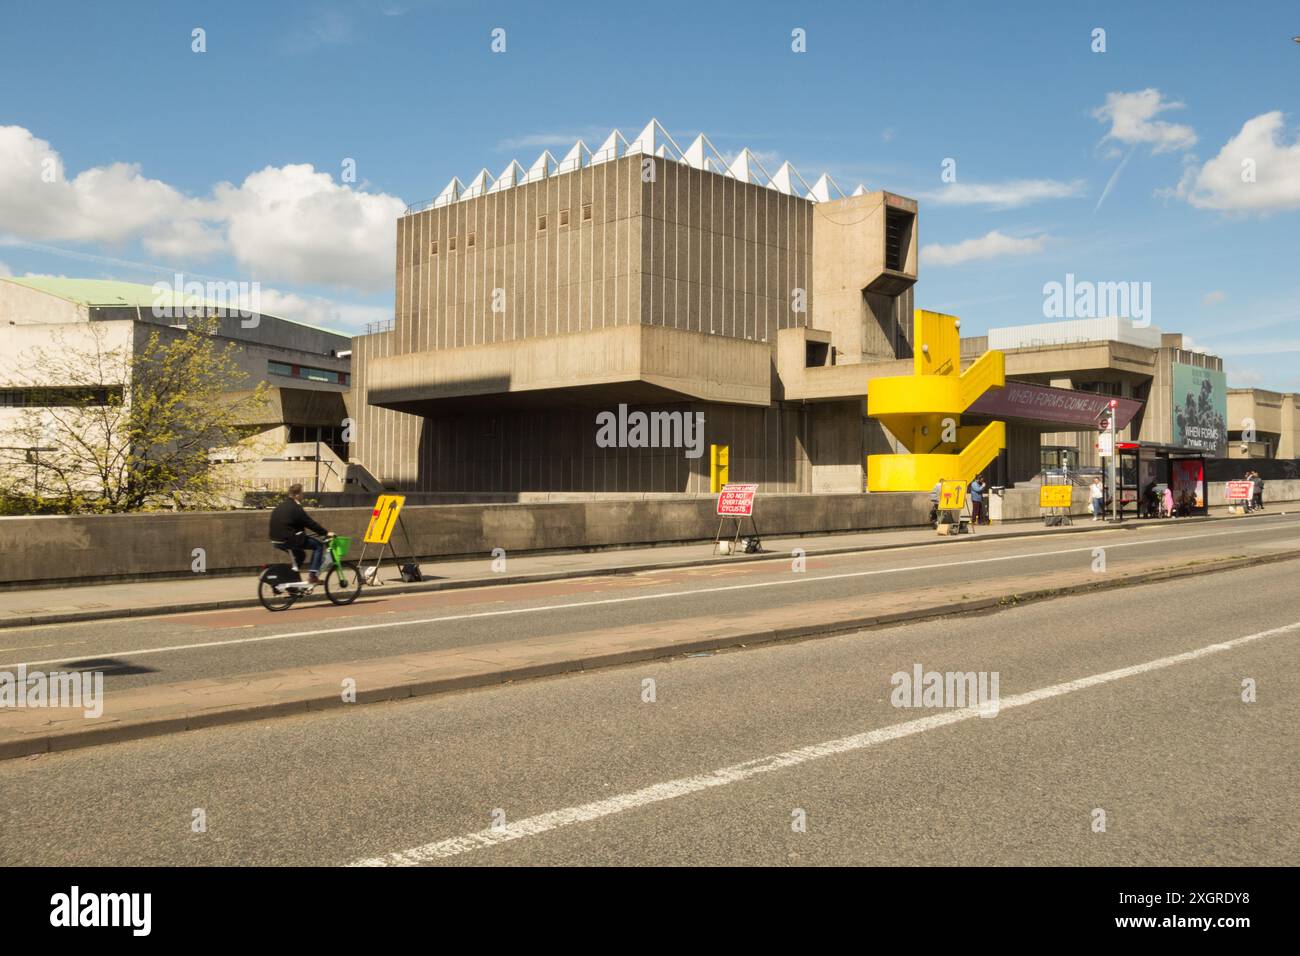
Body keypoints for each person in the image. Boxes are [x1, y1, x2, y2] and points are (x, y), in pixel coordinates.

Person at [269, 483, 332, 584]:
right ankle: (312, 577)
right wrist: (325, 532)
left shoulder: (281, 506)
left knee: (300, 555)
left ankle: (290, 578)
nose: (303, 496)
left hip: (276, 539)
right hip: (289, 538)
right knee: (318, 546)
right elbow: (309, 522)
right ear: (297, 495)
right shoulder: (295, 507)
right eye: (302, 493)